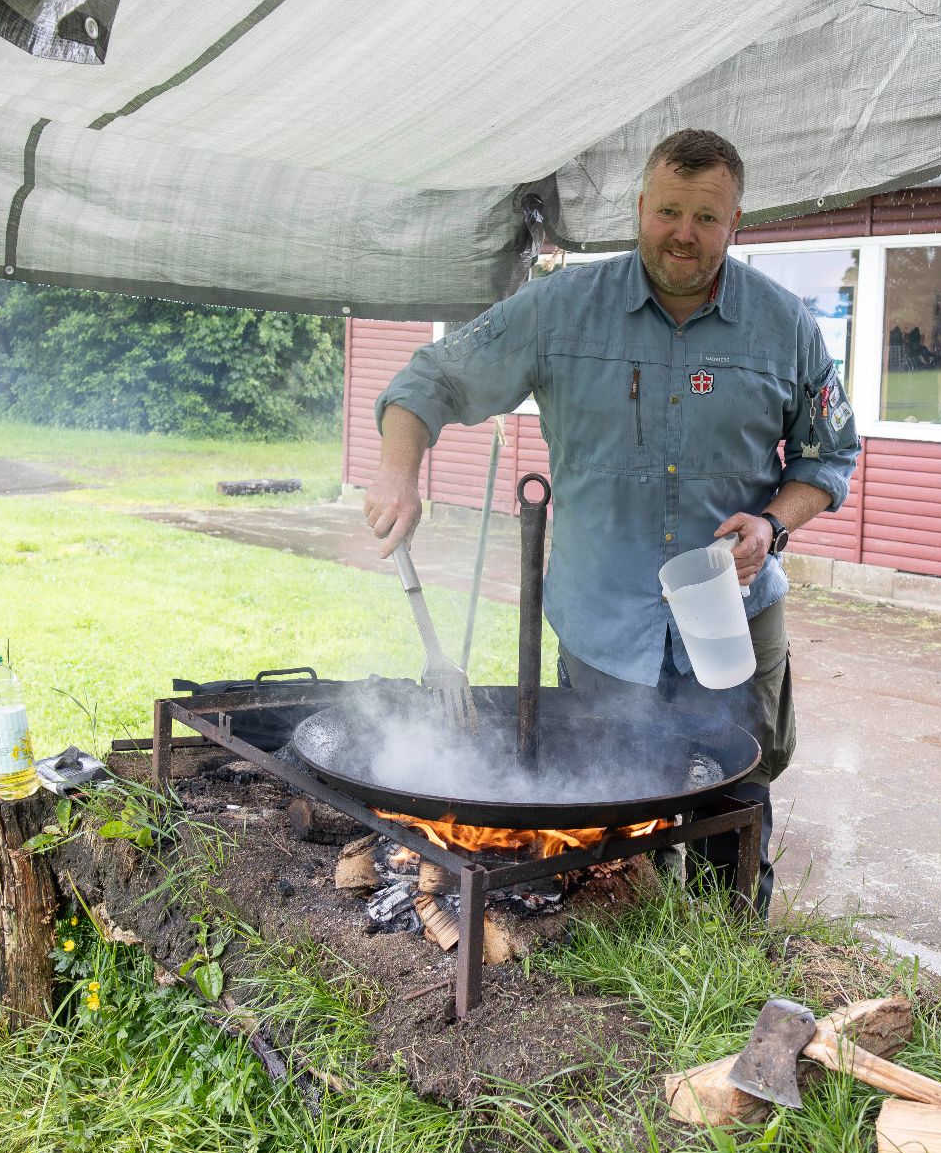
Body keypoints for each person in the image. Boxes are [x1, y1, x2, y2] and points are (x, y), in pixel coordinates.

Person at [363, 129, 860, 915]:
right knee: (609, 823)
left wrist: (772, 523)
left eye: (706, 217)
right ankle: (631, 948)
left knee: (735, 804)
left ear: (736, 222)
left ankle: (733, 942)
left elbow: (829, 454)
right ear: (640, 208)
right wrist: (398, 472)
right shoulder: (563, 308)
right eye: (668, 211)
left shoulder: (785, 326)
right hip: (603, 631)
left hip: (733, 624)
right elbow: (431, 379)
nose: (684, 233)